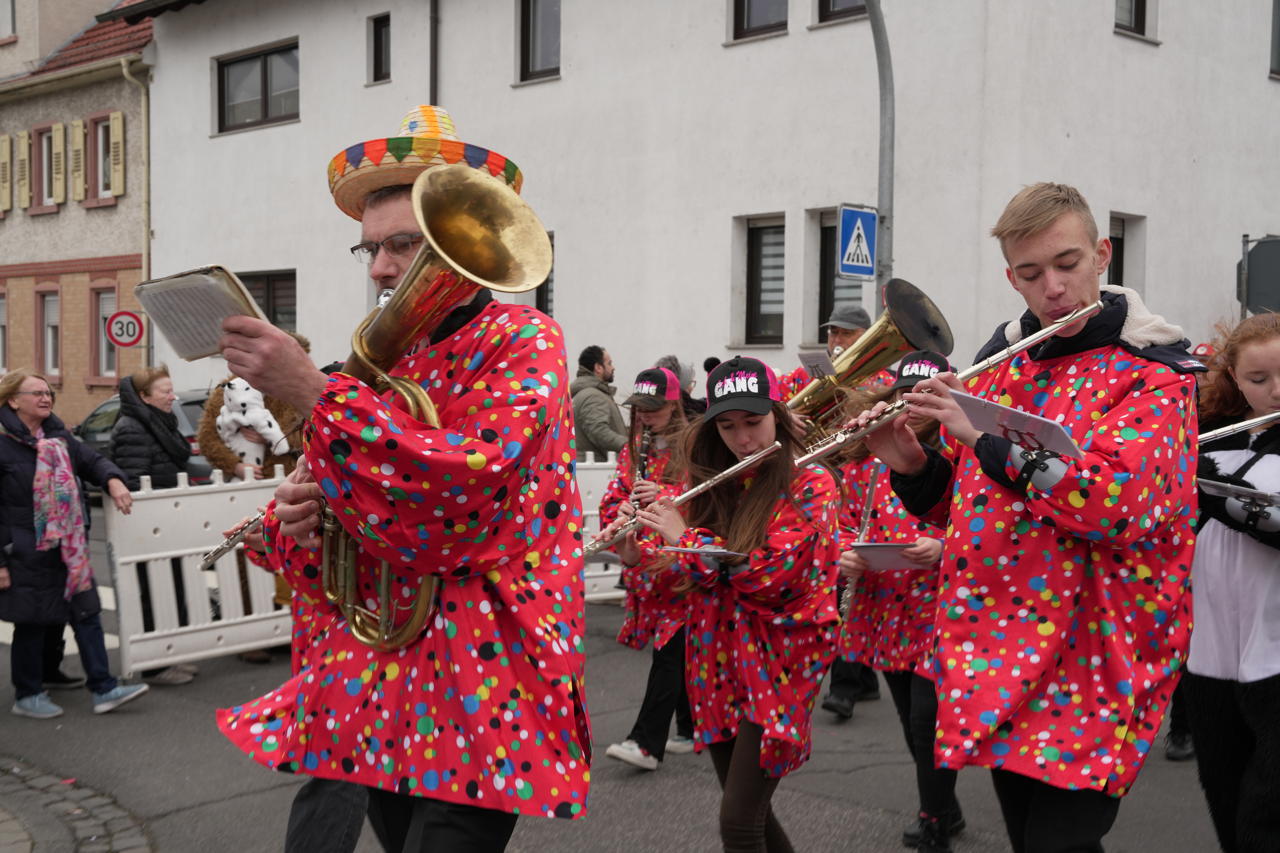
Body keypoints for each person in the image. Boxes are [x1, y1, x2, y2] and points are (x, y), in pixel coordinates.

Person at [213, 105, 590, 853]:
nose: (381, 268)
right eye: (370, 249)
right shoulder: (380, 368)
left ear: (467, 241)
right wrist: (303, 515)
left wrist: (315, 390)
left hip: (487, 684)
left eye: (401, 245)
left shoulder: (524, 338)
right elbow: (349, 522)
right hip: (381, 682)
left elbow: (462, 491)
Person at [856, 182, 1202, 852]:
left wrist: (983, 439)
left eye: (1068, 264)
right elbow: (974, 510)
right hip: (1000, 658)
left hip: (1096, 664)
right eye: (1031, 272)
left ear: (1103, 254)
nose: (1053, 289)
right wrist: (915, 469)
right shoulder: (1004, 364)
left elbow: (1117, 505)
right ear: (1009, 275)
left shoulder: (1156, 372)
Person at [632, 356, 839, 852]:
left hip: (779, 664)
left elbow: (773, 576)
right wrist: (648, 529)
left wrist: (688, 541)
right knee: (751, 815)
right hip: (715, 657)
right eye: (727, 426)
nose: (742, 439)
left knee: (738, 823)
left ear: (779, 417)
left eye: (753, 422)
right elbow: (676, 577)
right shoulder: (713, 484)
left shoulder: (812, 484)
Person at [836, 351, 964, 852]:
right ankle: (945, 807)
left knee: (926, 719)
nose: (914, 408)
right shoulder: (870, 461)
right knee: (910, 717)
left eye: (926, 397)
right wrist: (846, 554)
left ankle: (933, 817)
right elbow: (845, 524)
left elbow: (995, 531)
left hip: (942, 612)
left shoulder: (963, 455)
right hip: (887, 609)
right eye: (906, 397)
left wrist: (944, 548)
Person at [0, 368, 149, 718]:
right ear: (12, 401)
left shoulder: (60, 439)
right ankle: (27, 695)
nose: (45, 397)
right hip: (25, 549)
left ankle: (104, 688)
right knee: (33, 622)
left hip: (70, 548)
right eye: (36, 393)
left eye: (48, 391)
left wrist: (113, 481)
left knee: (87, 614)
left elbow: (94, 461)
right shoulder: (4, 446)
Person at [1184, 312, 1280, 853]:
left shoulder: (1206, 463)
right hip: (1210, 657)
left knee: (1264, 818)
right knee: (1224, 798)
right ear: (1236, 380)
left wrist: (1205, 483)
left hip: (1277, 659)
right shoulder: (1213, 437)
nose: (1275, 392)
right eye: (1259, 379)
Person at [597, 367, 694, 771]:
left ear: (674, 405)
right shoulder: (634, 448)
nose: (645, 416)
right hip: (646, 564)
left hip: (681, 562)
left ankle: (645, 742)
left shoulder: (695, 444)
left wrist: (667, 494)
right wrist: (617, 512)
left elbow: (710, 496)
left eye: (653, 409)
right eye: (639, 409)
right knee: (678, 651)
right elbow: (613, 496)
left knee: (669, 652)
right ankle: (693, 729)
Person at [108, 365, 197, 686]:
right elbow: (133, 479)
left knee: (172, 587)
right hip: (149, 522)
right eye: (166, 392)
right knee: (153, 590)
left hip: (166, 517)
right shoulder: (133, 428)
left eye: (172, 390)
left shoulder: (159, 422)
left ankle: (168, 655)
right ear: (144, 396)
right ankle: (156, 665)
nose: (172, 397)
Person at [572, 344, 626, 461]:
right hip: (599, 471)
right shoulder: (593, 396)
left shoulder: (588, 393)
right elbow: (599, 431)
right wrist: (629, 445)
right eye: (609, 363)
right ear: (598, 368)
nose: (613, 368)